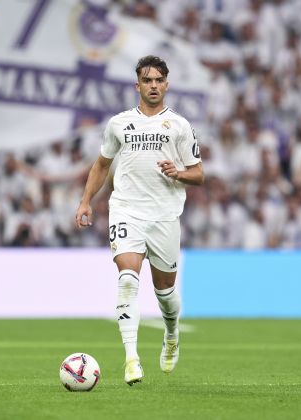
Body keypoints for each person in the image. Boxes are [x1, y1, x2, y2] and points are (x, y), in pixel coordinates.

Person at [75, 55, 205, 385]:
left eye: (159, 80)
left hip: (164, 214)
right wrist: (86, 201)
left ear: (166, 84)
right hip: (126, 210)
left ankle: (172, 333)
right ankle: (131, 359)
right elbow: (102, 165)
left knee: (166, 294)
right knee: (128, 279)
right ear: (137, 85)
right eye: (147, 80)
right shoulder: (118, 124)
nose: (153, 86)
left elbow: (199, 173)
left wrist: (180, 173)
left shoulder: (179, 125)